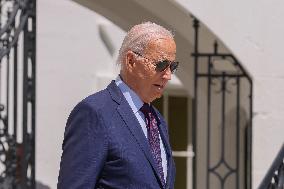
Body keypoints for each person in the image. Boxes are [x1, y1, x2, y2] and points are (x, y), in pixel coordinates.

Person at [57, 22, 179, 189]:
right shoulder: (94, 113)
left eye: (172, 66)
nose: (168, 75)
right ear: (131, 61)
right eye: (161, 65)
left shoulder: (157, 119)